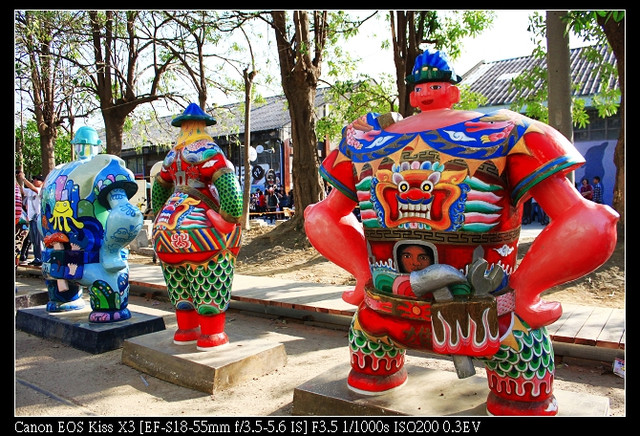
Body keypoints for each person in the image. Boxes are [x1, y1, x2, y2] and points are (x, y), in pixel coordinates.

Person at [304, 49, 619, 415]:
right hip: (494, 321)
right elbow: (593, 222)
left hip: (382, 313)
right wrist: (524, 292)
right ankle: (518, 396)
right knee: (522, 390)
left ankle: (376, 373)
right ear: (452, 92)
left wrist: (364, 277)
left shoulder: (363, 143)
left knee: (371, 371)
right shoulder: (510, 131)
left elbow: (320, 217)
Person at [21, 174, 45, 266]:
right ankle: (37, 258)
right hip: (31, 218)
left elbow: (33, 188)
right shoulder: (30, 191)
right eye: (34, 179)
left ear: (42, 182)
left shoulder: (41, 190)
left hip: (38, 218)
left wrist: (23, 179)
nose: (34, 180)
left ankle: (41, 258)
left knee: (39, 240)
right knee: (34, 240)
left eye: (37, 179)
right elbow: (21, 190)